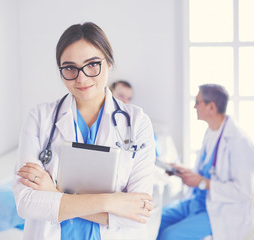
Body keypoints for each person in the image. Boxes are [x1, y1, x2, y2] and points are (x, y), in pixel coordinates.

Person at [13, 22, 156, 240]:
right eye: (69, 67)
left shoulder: (137, 122)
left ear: (109, 63)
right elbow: (26, 204)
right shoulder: (40, 118)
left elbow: (136, 215)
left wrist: (54, 195)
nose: (81, 77)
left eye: (92, 65)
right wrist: (112, 202)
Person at [157, 84, 254, 240]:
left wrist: (202, 182)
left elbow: (242, 192)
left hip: (221, 211)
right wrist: (183, 171)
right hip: (197, 201)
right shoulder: (211, 131)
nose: (194, 106)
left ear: (211, 107)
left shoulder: (239, 141)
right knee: (156, 220)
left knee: (170, 236)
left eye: (198, 102)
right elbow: (207, 172)